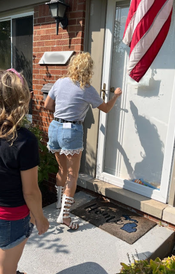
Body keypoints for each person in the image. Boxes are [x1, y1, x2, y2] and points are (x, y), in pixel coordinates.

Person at [0, 68, 50, 274]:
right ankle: (10, 272)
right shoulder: (23, 140)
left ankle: (11, 267)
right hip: (7, 218)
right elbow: (30, 191)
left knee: (5, 260)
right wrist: (40, 218)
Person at [43, 52, 122, 230]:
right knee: (72, 174)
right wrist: (116, 95)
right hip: (71, 131)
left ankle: (58, 205)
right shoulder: (86, 88)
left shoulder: (60, 82)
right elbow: (106, 109)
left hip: (55, 128)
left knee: (62, 170)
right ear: (88, 70)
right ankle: (64, 217)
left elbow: (47, 105)